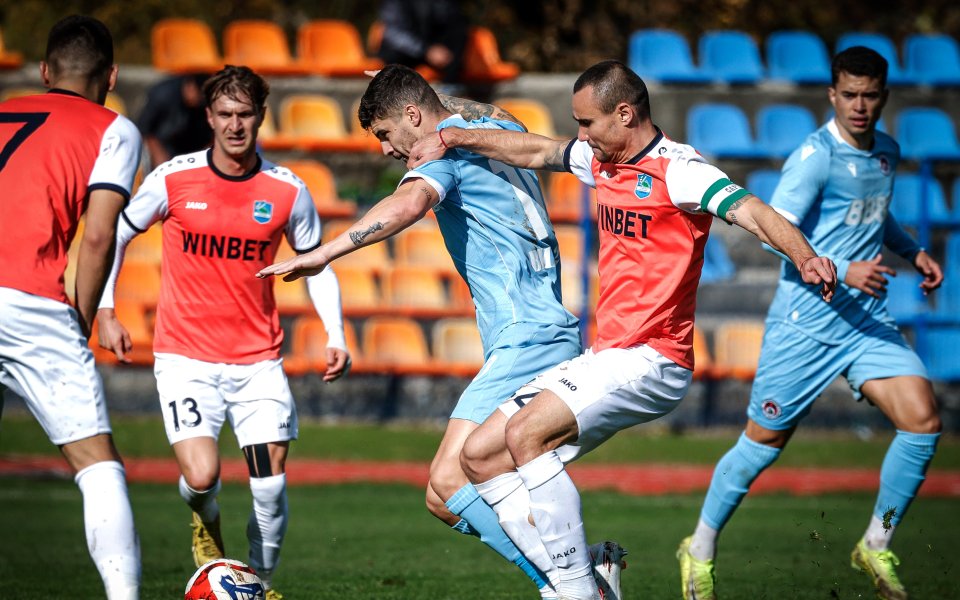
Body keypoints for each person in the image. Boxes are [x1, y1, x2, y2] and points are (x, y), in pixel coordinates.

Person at [404, 59, 839, 600]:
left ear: (625, 114)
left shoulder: (680, 171)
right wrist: (455, 137)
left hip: (654, 357)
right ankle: (586, 580)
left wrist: (804, 255)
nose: (581, 134)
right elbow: (536, 151)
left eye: (588, 122)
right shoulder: (601, 159)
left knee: (524, 435)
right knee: (479, 455)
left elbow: (752, 210)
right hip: (607, 355)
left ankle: (575, 592)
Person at [258, 64, 600, 599]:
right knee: (446, 497)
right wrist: (411, 86)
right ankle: (578, 574)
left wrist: (324, 253)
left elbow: (407, 204)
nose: (387, 149)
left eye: (385, 132)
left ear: (414, 116)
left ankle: (574, 582)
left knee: (448, 480)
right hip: (542, 332)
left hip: (527, 338)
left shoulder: (443, 158)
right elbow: (477, 111)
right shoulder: (497, 130)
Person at [676, 46, 943, 600]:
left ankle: (876, 542)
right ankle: (698, 547)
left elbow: (876, 213)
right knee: (763, 441)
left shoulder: (886, 152)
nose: (860, 106)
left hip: (864, 321)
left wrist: (912, 251)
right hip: (806, 322)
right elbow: (774, 232)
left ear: (884, 97)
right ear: (832, 95)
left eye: (870, 96)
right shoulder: (814, 157)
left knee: (922, 420)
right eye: (850, 95)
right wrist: (844, 267)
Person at [96, 65, 350, 600]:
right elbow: (115, 232)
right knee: (201, 476)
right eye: (226, 114)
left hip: (258, 363)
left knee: (269, 483)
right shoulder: (172, 178)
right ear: (209, 117)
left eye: (246, 114)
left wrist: (336, 334)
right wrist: (107, 308)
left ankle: (259, 585)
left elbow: (316, 264)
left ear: (261, 116)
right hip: (185, 359)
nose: (236, 125)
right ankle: (205, 519)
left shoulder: (287, 190)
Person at [0, 15, 141, 600]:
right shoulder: (115, 129)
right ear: (111, 76)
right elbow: (100, 234)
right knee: (96, 464)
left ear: (43, 71)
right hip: (28, 297)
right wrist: (79, 319)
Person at [377, 0, 468, 84]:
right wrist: (426, 50)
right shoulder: (395, 3)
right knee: (393, 55)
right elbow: (394, 34)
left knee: (458, 32)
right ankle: (394, 86)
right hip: (405, 54)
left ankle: (450, 85)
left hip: (434, 53)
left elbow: (452, 20)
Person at [136, 72, 212, 171]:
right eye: (198, 95)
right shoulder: (162, 94)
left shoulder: (204, 103)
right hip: (159, 145)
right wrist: (158, 155)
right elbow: (144, 129)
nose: (199, 100)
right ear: (190, 86)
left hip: (188, 149)